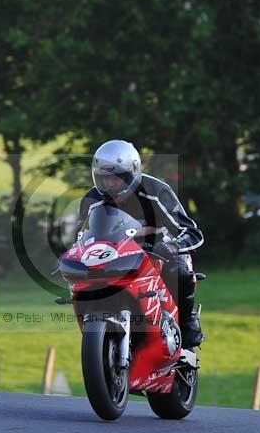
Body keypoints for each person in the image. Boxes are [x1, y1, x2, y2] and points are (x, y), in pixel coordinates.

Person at [75, 139, 205, 348]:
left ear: (133, 172)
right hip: (116, 257)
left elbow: (190, 231)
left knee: (180, 272)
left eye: (117, 178)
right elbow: (81, 238)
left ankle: (188, 321)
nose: (110, 184)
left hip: (161, 252)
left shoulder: (156, 190)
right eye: (104, 178)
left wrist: (172, 247)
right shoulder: (91, 199)